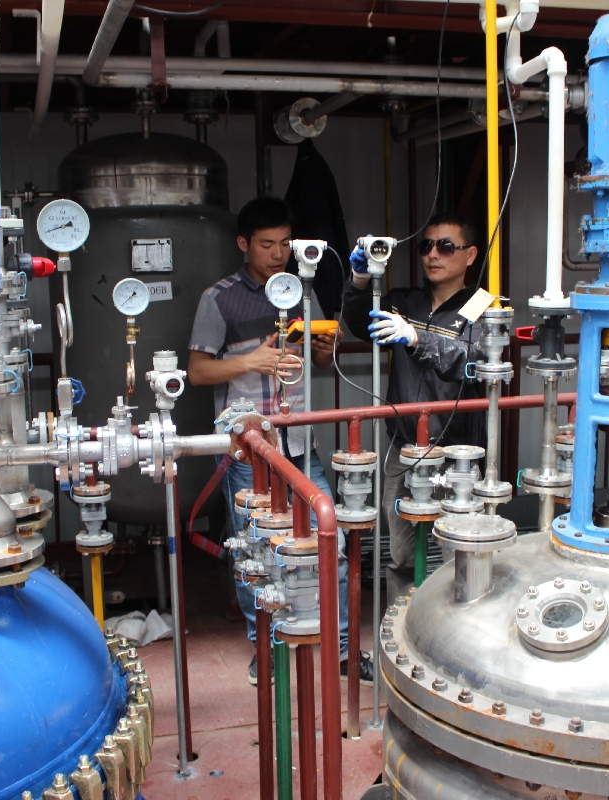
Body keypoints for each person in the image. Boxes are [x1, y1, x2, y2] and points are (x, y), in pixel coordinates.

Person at [188, 196, 373, 686]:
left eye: (285, 244)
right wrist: (251, 361)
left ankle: (340, 650)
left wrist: (324, 347)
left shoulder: (300, 291)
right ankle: (266, 650)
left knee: (330, 543)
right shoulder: (219, 298)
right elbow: (198, 370)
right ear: (243, 244)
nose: (277, 254)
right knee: (256, 553)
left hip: (299, 445)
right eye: (266, 244)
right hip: (248, 451)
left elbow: (316, 362)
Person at [341, 212, 487, 579]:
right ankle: (404, 611)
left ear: (470, 255)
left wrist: (418, 338)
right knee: (403, 551)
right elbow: (358, 323)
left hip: (455, 455)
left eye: (446, 246)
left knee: (459, 553)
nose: (433, 254)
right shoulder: (406, 302)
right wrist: (360, 280)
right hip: (403, 448)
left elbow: (472, 359)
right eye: (427, 246)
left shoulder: (482, 306)